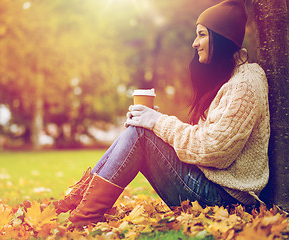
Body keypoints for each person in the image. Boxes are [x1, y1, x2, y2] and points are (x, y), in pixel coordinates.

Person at [54, 0, 270, 226]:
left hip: (228, 201)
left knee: (142, 133)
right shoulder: (231, 79)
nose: (195, 43)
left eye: (201, 35)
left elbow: (213, 149)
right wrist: (152, 122)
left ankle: (83, 216)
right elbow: (206, 138)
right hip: (213, 187)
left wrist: (157, 122)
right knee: (140, 129)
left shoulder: (246, 82)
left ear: (221, 37)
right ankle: (79, 202)